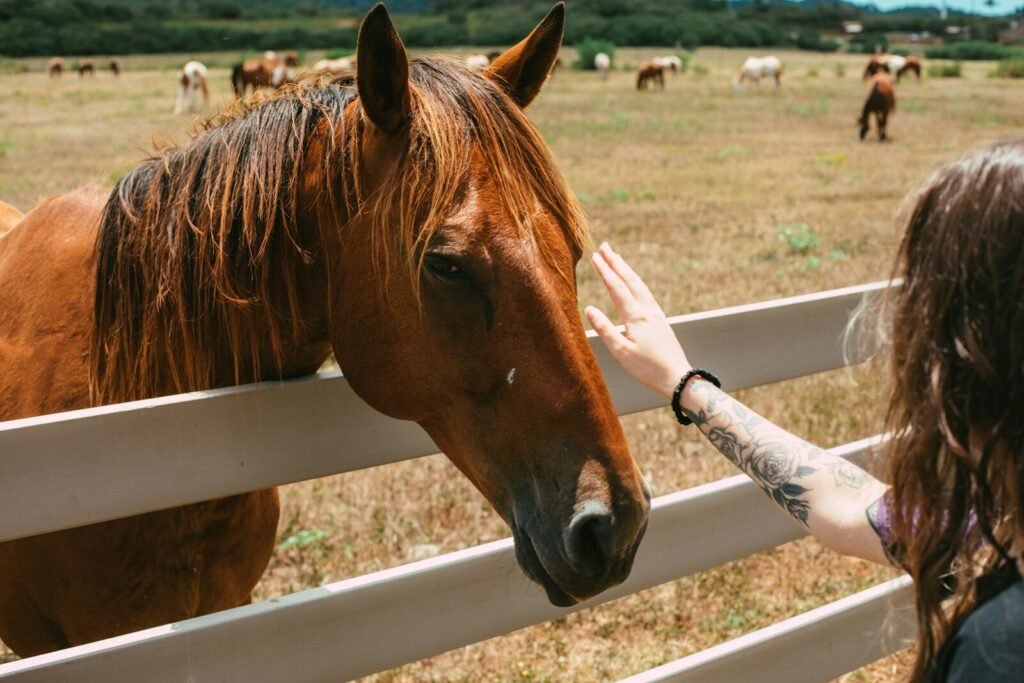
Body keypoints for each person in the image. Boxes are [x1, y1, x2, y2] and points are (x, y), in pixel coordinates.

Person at [585, 141, 1024, 683]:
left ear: (961, 361)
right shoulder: (994, 521)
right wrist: (685, 385)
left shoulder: (997, 652)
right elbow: (846, 504)